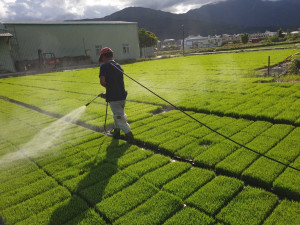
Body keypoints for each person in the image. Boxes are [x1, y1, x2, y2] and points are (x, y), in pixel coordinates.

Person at [98, 47, 134, 143]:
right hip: (122, 96)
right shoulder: (118, 65)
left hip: (115, 99)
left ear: (103, 56)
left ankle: (131, 138)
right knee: (117, 115)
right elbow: (116, 84)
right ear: (112, 55)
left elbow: (102, 81)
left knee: (120, 118)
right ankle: (116, 133)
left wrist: (108, 91)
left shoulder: (104, 67)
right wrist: (108, 93)